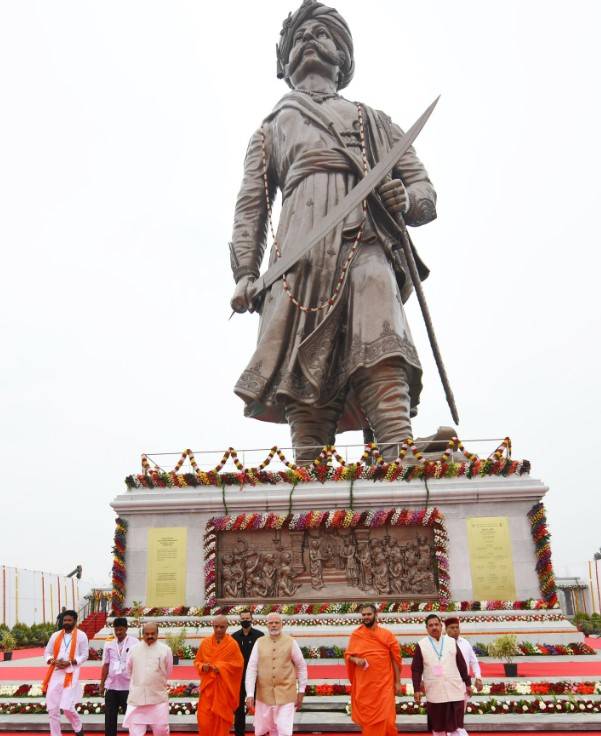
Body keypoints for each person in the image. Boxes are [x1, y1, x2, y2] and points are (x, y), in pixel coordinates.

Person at [229, 0, 438, 464]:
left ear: (342, 56)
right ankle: (309, 468)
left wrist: (409, 200)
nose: (309, 40)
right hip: (297, 255)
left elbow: (423, 189)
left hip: (363, 240)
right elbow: (252, 204)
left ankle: (396, 450)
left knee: (379, 336)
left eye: (322, 33)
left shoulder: (375, 121)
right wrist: (245, 270)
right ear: (284, 62)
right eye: (300, 36)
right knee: (302, 359)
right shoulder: (271, 129)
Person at [245, 612, 307, 736]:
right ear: (267, 625)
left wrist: (301, 690)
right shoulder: (259, 642)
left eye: (276, 622)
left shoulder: (291, 642)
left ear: (282, 625)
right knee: (262, 729)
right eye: (271, 623)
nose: (274, 625)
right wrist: (250, 693)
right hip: (264, 695)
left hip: (286, 694)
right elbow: (251, 668)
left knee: (284, 730)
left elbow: (301, 666)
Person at [345, 603, 402, 736]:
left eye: (369, 614)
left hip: (384, 685)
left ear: (376, 615)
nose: (366, 617)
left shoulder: (387, 635)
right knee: (369, 722)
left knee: (388, 720)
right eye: (363, 614)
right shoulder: (356, 635)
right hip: (365, 686)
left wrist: (397, 682)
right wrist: (355, 660)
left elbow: (395, 659)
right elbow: (348, 655)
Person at [411, 614, 472, 736]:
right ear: (426, 628)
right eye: (431, 625)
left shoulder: (451, 641)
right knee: (438, 728)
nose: (434, 627)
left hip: (454, 689)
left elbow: (461, 664)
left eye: (436, 624)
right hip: (435, 691)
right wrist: (416, 689)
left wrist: (468, 683)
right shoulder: (421, 645)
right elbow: (416, 669)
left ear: (441, 626)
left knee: (457, 726)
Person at [195, 615, 244, 736]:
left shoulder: (232, 645)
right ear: (212, 626)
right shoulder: (205, 643)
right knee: (204, 722)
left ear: (227, 627)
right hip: (208, 691)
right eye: (216, 626)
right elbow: (197, 661)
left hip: (223, 691)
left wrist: (220, 667)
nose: (218, 630)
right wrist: (202, 667)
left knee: (221, 723)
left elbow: (238, 665)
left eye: (222, 627)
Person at [43, 609, 89, 736]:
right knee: (52, 708)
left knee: (67, 706)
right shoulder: (55, 635)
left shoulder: (81, 635)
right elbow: (47, 652)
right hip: (56, 672)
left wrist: (71, 662)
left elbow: (85, 655)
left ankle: (78, 727)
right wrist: (53, 660)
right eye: (65, 620)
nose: (66, 622)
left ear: (75, 621)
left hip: (71, 673)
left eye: (69, 620)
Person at [123, 622, 173, 736]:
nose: (150, 636)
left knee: (161, 730)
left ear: (158, 633)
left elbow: (168, 671)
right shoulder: (133, 649)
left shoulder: (166, 650)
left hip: (158, 698)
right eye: (147, 634)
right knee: (135, 732)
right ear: (142, 634)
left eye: (153, 633)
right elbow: (129, 670)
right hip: (137, 698)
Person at [100, 616, 139, 736]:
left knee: (132, 717)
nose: (118, 632)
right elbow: (106, 665)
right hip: (111, 687)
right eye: (116, 630)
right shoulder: (109, 644)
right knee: (110, 718)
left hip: (128, 687)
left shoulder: (135, 643)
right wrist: (102, 684)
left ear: (126, 629)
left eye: (121, 629)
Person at [444, 617, 483, 736]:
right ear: (446, 629)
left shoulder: (465, 643)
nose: (455, 630)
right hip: (447, 685)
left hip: (463, 684)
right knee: (450, 714)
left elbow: (474, 661)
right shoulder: (441, 644)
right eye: (452, 628)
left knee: (460, 713)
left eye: (457, 627)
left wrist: (478, 677)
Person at [232, 610, 264, 736]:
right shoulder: (234, 637)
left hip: (256, 677)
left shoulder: (260, 636)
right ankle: (239, 733)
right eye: (243, 618)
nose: (245, 620)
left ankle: (260, 731)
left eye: (247, 618)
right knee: (239, 708)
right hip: (239, 677)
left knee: (259, 706)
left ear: (252, 619)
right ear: (240, 620)